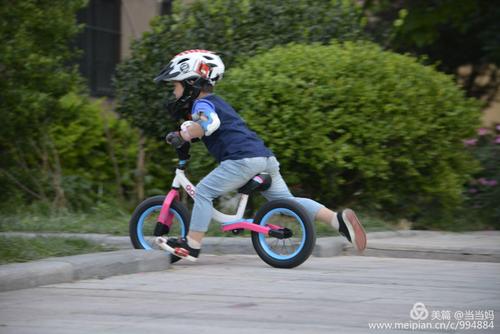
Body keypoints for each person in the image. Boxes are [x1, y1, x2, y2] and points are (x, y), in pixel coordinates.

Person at [154, 49, 366, 261]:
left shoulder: (202, 105)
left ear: (191, 83)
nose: (174, 92)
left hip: (242, 160)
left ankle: (192, 244)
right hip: (264, 158)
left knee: (203, 192)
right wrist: (191, 131)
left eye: (176, 85)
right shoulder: (218, 103)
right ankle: (337, 220)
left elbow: (209, 123)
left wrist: (185, 133)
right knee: (288, 202)